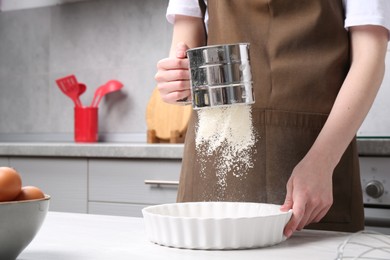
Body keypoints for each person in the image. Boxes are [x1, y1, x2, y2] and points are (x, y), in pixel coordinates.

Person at [155, 0, 390, 238]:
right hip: (217, 155)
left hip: (315, 161)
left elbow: (369, 58)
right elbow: (185, 58)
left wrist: (322, 162)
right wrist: (177, 83)